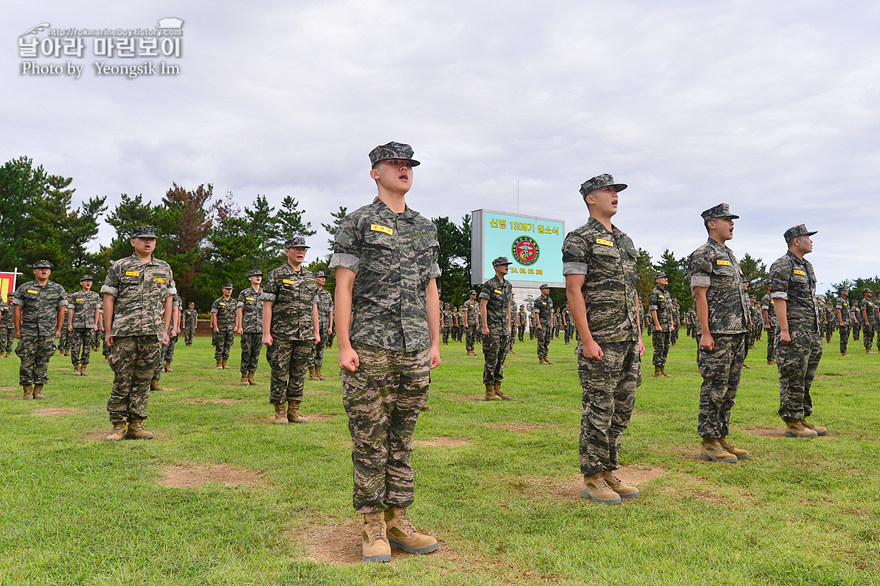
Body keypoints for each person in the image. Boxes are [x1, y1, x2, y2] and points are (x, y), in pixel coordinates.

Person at [330, 141, 441, 563]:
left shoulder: (425, 227)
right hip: (370, 346)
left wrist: (433, 343)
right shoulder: (357, 221)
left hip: (413, 348)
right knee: (369, 438)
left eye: (409, 164)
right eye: (394, 164)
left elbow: (430, 287)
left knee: (403, 439)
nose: (404, 169)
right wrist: (344, 343)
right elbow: (344, 285)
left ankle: (399, 519)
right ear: (375, 173)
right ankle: (372, 523)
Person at [563, 173, 644, 504]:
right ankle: (593, 475)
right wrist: (587, 338)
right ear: (589, 198)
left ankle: (609, 469)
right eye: (607, 190)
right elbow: (573, 290)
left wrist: (638, 335)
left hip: (627, 339)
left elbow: (633, 292)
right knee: (599, 407)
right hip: (601, 339)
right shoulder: (578, 239)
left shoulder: (625, 241)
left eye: (616, 191)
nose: (614, 195)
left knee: (622, 408)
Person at [687, 204, 751, 463]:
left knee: (729, 389)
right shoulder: (703, 254)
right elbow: (700, 295)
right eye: (726, 220)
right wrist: (705, 332)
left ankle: (721, 436)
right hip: (718, 332)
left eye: (732, 220)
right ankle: (709, 441)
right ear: (711, 223)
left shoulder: (730, 255)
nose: (732, 224)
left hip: (737, 332)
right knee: (714, 387)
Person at [101, 225, 175, 440]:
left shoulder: (164, 268)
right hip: (125, 331)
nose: (147, 242)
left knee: (144, 379)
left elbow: (168, 299)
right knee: (122, 378)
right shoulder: (120, 266)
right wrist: (108, 329)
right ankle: (118, 425)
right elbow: (109, 298)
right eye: (142, 239)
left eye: (151, 239)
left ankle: (136, 424)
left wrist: (165, 329)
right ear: (133, 242)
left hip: (152, 332)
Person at [770, 224, 826, 438]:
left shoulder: (808, 266)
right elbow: (778, 298)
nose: (810, 241)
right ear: (796, 240)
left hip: (810, 331)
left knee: (806, 377)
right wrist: (784, 329)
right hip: (793, 332)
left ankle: (801, 416)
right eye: (807, 237)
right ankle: (792, 421)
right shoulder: (782, 265)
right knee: (792, 376)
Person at [262, 236, 319, 425]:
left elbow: (314, 307)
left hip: (305, 334)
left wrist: (316, 332)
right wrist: (266, 333)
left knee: (299, 372)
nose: (300, 252)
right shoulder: (276, 275)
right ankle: (280, 412)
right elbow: (268, 305)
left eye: (303, 249)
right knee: (279, 372)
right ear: (287, 251)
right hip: (281, 334)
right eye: (296, 248)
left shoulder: (310, 277)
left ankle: (294, 410)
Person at [13, 260, 67, 399]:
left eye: (47, 269)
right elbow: (18, 309)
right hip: (29, 330)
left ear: (50, 272)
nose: (44, 271)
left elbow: (61, 310)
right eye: (40, 268)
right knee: (26, 360)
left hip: (48, 331)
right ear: (34, 271)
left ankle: (38, 389)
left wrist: (58, 329)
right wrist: (17, 329)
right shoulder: (24, 288)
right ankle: (27, 390)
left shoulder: (57, 289)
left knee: (43, 360)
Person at [479, 256, 514, 401]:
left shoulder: (508, 285)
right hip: (492, 329)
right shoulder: (489, 284)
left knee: (501, 359)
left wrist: (510, 325)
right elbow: (483, 305)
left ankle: (498, 388)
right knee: (491, 359)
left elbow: (508, 306)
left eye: (507, 264)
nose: (507, 266)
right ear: (496, 267)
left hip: (504, 329)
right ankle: (489, 391)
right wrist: (485, 326)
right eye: (503, 264)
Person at [67, 274, 101, 376]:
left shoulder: (95, 296)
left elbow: (97, 310)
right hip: (77, 325)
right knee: (75, 347)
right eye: (86, 281)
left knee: (87, 347)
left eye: (90, 281)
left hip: (90, 325)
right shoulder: (75, 295)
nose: (88, 283)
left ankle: (84, 367)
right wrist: (70, 324)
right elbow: (71, 310)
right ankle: (76, 367)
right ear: (81, 283)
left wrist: (96, 324)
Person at [236, 269, 264, 385]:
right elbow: (240, 310)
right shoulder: (245, 293)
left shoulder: (265, 293)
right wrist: (239, 326)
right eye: (255, 276)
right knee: (246, 352)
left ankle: (252, 376)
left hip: (260, 328)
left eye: (260, 276)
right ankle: (244, 376)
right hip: (247, 328)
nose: (258, 278)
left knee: (256, 353)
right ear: (250, 278)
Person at [308, 271, 334, 381]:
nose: (323, 279)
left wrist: (330, 326)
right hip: (313, 326)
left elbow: (330, 310)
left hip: (324, 325)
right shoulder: (310, 293)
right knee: (311, 350)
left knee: (320, 350)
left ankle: (318, 372)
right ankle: (311, 373)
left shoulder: (327, 294)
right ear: (315, 279)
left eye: (324, 277)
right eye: (320, 277)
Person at [648, 273, 674, 377]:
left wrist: (671, 323)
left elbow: (669, 310)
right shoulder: (654, 293)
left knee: (666, 347)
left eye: (666, 277)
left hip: (667, 325)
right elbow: (653, 310)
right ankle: (657, 371)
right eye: (663, 277)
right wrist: (657, 325)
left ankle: (663, 369)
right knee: (659, 347)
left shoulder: (667, 294)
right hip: (659, 326)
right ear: (657, 280)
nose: (666, 279)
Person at [534, 284, 554, 364]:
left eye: (548, 289)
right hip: (542, 323)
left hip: (548, 323)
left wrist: (551, 322)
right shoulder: (538, 300)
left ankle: (545, 357)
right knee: (541, 341)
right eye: (546, 289)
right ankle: (541, 358)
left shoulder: (550, 300)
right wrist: (539, 324)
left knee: (547, 340)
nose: (548, 290)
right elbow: (536, 313)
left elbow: (552, 312)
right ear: (542, 290)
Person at [761, 282, 778, 364]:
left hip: (776, 322)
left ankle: (774, 358)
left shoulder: (774, 297)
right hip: (771, 322)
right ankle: (770, 359)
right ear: (768, 287)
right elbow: (765, 311)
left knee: (776, 341)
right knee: (771, 341)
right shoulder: (766, 298)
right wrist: (767, 323)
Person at [836, 287, 854, 357]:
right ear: (841, 292)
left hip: (848, 321)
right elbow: (838, 311)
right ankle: (843, 352)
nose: (847, 292)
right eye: (845, 291)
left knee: (846, 337)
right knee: (843, 337)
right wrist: (841, 321)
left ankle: (845, 351)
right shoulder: (839, 300)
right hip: (843, 321)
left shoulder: (846, 300)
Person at [860, 289, 876, 354]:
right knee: (867, 334)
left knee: (872, 333)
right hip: (867, 320)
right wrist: (866, 321)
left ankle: (870, 347)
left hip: (872, 319)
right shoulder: (864, 301)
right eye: (869, 292)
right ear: (865, 293)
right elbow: (863, 311)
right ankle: (868, 349)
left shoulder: (870, 301)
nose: (870, 293)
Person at [463, 290, 479, 355]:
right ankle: (468, 350)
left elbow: (477, 314)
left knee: (474, 336)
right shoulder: (467, 303)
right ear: (470, 295)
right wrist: (466, 322)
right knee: (469, 336)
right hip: (470, 321)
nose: (475, 296)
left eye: (475, 294)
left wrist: (478, 322)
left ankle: (472, 349)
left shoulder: (476, 303)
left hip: (475, 322)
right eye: (473, 294)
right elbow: (466, 313)